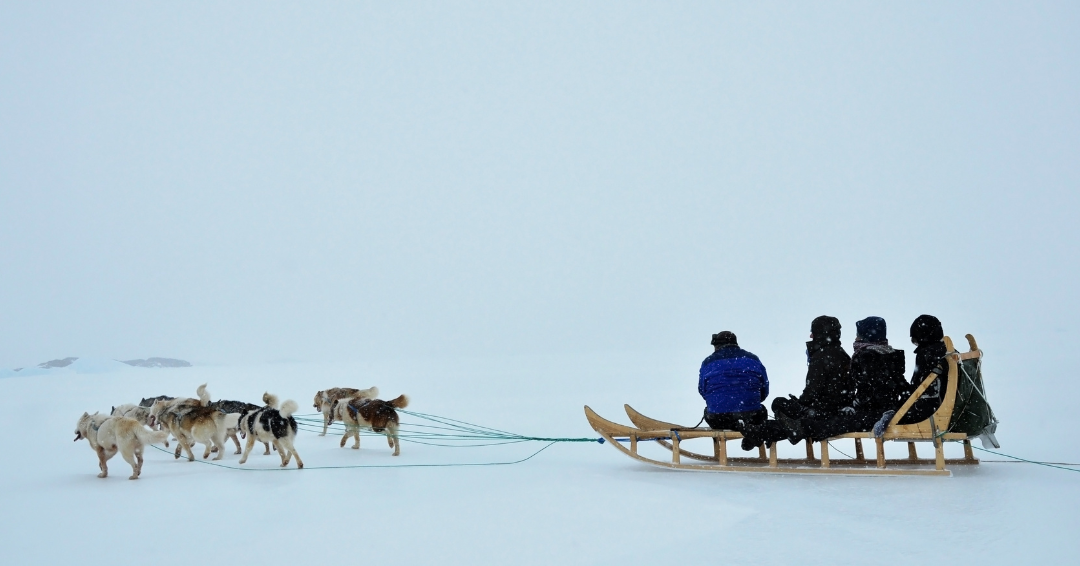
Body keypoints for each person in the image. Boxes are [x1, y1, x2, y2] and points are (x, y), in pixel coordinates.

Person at [768, 316, 907, 443]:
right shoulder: (848, 355)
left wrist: (854, 405)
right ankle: (764, 431)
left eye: (858, 334)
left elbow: (814, 391)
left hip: (838, 410)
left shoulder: (863, 356)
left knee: (784, 407)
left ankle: (761, 431)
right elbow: (898, 386)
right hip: (856, 407)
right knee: (805, 422)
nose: (856, 338)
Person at [771, 316, 853, 422]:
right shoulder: (843, 354)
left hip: (823, 412)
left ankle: (795, 428)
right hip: (841, 408)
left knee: (778, 403)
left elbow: (813, 390)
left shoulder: (821, 356)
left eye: (813, 332)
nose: (810, 335)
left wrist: (800, 403)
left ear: (820, 334)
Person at [698, 331, 769, 433]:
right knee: (761, 412)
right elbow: (764, 389)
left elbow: (702, 390)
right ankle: (755, 438)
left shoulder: (707, 362)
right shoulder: (753, 359)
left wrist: (721, 402)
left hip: (718, 419)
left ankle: (720, 446)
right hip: (752, 417)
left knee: (709, 412)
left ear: (717, 346)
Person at [894, 314, 949, 425]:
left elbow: (918, 387)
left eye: (915, 340)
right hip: (950, 409)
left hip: (929, 413)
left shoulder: (926, 354)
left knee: (887, 416)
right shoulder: (950, 352)